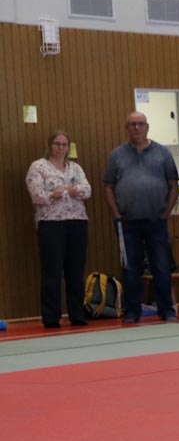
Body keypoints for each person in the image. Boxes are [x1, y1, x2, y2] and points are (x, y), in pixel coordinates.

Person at [102, 111, 179, 323]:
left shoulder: (162, 153)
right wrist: (116, 213)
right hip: (127, 221)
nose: (136, 128)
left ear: (147, 127)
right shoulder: (117, 155)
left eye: (140, 124)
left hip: (157, 220)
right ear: (126, 129)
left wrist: (167, 212)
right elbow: (108, 187)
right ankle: (132, 311)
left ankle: (167, 309)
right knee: (130, 268)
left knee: (161, 266)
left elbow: (173, 185)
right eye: (132, 125)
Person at [26, 130, 91, 328]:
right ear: (50, 145)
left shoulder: (75, 168)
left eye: (64, 144)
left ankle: (77, 314)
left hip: (77, 222)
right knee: (52, 272)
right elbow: (38, 196)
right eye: (57, 143)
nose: (60, 147)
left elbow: (87, 191)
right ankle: (51, 317)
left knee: (75, 271)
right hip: (51, 224)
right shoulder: (38, 167)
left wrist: (58, 193)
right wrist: (66, 192)